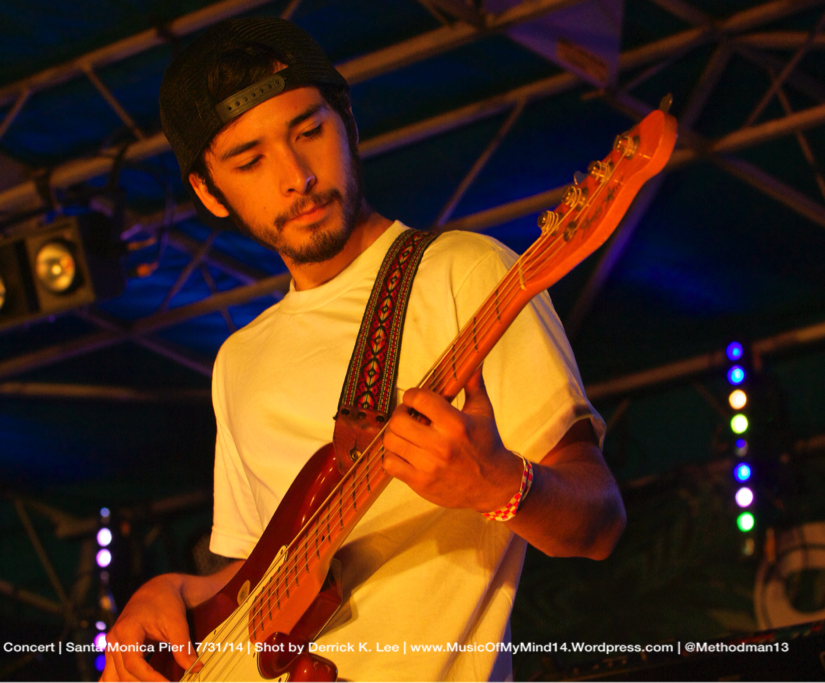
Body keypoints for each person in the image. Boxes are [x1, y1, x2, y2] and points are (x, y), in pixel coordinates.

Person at [102, 17, 625, 683]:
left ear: (347, 121)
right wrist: (170, 591)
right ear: (208, 192)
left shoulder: (463, 273)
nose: (295, 177)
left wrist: (500, 485)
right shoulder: (238, 359)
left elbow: (600, 522)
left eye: (308, 132)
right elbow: (265, 580)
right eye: (250, 161)